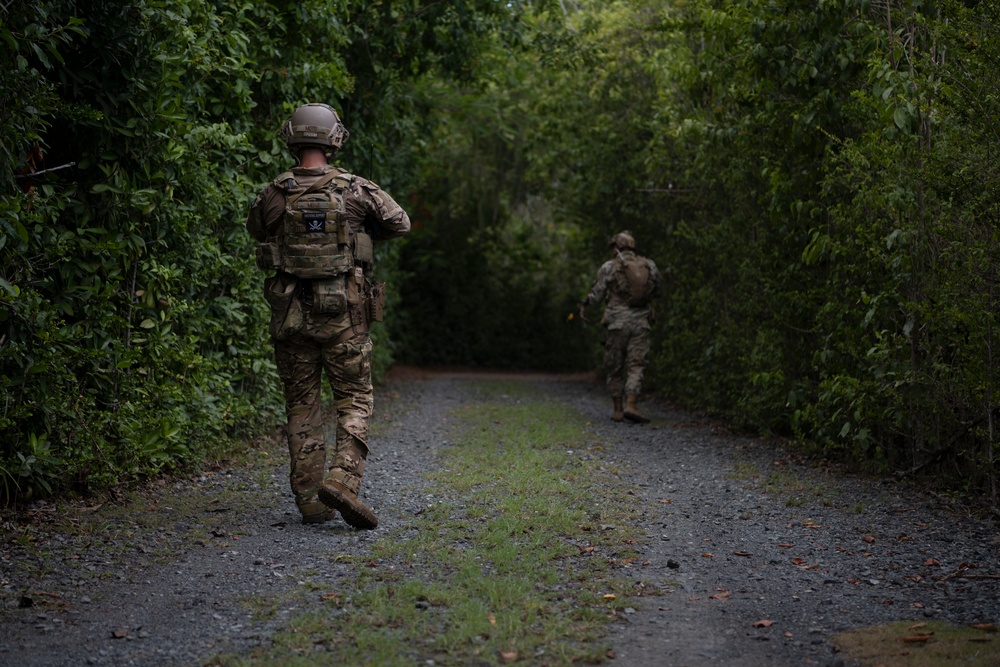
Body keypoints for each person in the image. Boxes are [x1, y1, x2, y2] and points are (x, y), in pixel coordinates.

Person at [246, 103, 410, 528]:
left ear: (292, 137)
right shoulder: (357, 190)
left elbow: (257, 230)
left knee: (301, 404)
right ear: (335, 138)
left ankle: (310, 501)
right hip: (345, 316)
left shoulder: (273, 193)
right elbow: (400, 223)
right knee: (355, 398)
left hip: (290, 316)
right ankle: (341, 480)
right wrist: (360, 234)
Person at [579, 231, 662, 423]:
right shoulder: (648, 265)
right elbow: (658, 291)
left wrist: (585, 304)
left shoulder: (609, 267)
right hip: (641, 321)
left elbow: (597, 295)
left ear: (615, 247)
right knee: (636, 364)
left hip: (617, 322)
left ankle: (617, 409)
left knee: (615, 365)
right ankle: (631, 405)